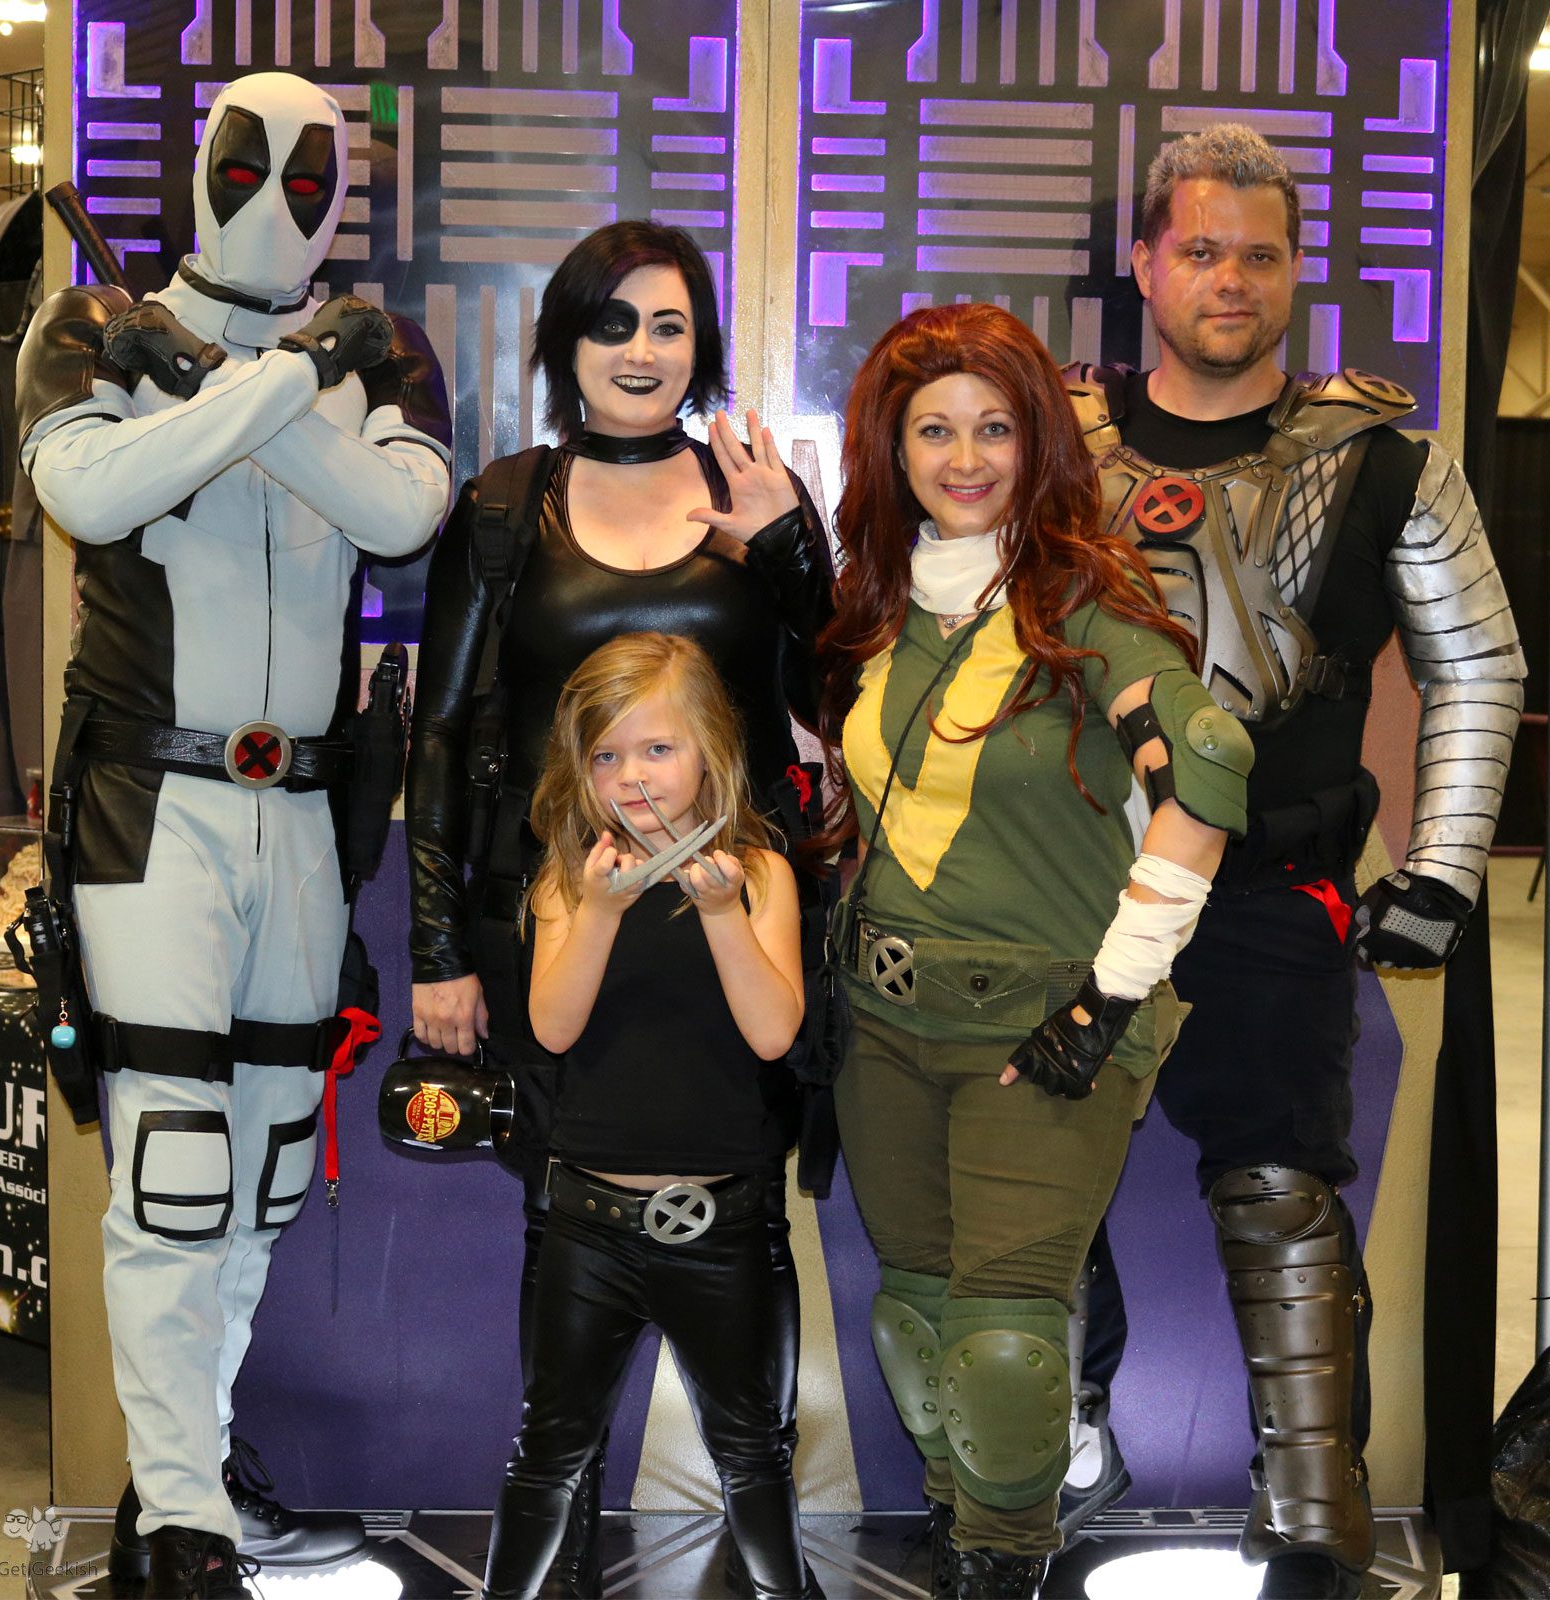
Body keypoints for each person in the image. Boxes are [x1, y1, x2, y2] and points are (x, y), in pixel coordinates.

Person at [1061, 123, 1526, 1599]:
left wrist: (1441, 869)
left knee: (1281, 1200)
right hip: (1060, 884)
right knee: (1027, 1178)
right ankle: (1039, 1464)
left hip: (1276, 890)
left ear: (1295, 269)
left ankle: (1315, 1519)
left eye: (1259, 254)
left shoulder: (1385, 461)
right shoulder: (1046, 447)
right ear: (1145, 263)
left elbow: (1477, 664)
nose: (1231, 279)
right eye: (1200, 249)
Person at [16, 72, 451, 1600]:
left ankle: (179, 1488)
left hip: (307, 813)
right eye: (248, 161)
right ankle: (191, 1523)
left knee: (262, 1171)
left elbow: (401, 519)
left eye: (310, 170)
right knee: (174, 1169)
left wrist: (244, 389)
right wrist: (273, 385)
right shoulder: (91, 326)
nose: (276, 195)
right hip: (153, 809)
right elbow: (88, 487)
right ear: (201, 164)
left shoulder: (380, 349)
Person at [405, 220, 832, 1594]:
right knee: (566, 1255)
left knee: (739, 1216)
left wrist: (789, 553)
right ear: (564, 342)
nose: (642, 351)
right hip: (554, 918)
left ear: (701, 345)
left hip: (736, 915)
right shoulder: (504, 505)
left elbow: (842, 692)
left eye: (669, 323)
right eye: (612, 322)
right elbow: (440, 731)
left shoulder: (754, 492)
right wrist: (434, 947)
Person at [817, 301, 1251, 1600]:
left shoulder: (1081, 603)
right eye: (933, 429)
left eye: (995, 428)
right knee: (920, 1327)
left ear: (1040, 441)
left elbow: (1206, 770)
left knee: (1005, 1347)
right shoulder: (877, 600)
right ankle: (964, 1547)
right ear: (890, 447)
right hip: (883, 1031)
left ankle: (1004, 1567)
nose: (964, 458)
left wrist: (1111, 998)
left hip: (1041, 1035)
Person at [480, 631, 819, 1600]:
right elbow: (551, 1026)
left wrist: (719, 915)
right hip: (587, 1226)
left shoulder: (759, 873)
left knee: (753, 1453)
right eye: (605, 754)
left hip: (726, 1226)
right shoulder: (567, 876)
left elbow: (773, 1033)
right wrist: (598, 910)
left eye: (656, 748)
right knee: (549, 1449)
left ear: (710, 748)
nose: (631, 775)